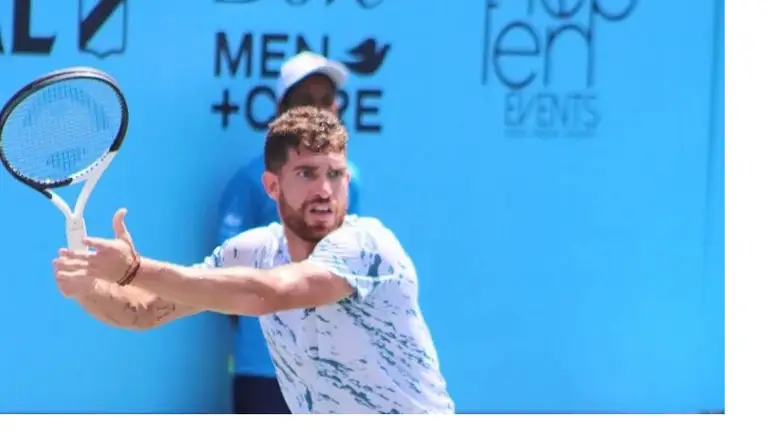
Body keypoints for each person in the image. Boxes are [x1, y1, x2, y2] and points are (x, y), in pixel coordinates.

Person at [52, 106, 455, 414]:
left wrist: (136, 270)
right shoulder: (251, 251)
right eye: (307, 174)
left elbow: (270, 294)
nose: (324, 190)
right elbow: (142, 312)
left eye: (335, 174)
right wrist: (89, 289)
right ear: (271, 185)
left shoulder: (367, 246)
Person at [217, 51, 362, 414]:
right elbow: (227, 276)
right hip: (264, 370)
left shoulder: (351, 183)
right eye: (306, 100)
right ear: (283, 109)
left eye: (326, 100)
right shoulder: (250, 181)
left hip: (331, 373)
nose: (319, 111)